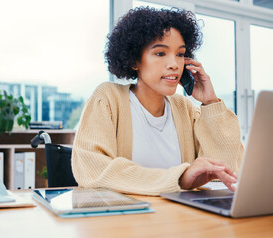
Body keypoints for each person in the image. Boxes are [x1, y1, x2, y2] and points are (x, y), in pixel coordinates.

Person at [71, 7, 243, 196]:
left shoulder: (184, 109)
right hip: (124, 220)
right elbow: (93, 171)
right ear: (134, 61)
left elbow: (223, 171)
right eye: (160, 53)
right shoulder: (108, 99)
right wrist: (179, 178)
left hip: (179, 218)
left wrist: (210, 103)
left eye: (180, 54)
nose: (174, 64)